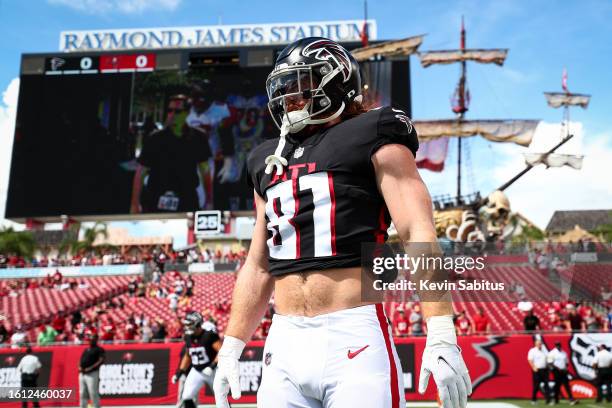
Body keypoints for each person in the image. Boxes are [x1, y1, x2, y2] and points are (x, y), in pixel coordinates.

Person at [212, 37, 471, 408]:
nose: (289, 97)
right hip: (283, 342)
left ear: (336, 83)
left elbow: (417, 232)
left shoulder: (375, 131)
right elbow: (258, 262)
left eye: (300, 84)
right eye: (284, 87)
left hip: (353, 336)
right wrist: (232, 345)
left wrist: (441, 331)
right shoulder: (267, 159)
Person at [131, 95, 211, 213]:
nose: (172, 114)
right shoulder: (154, 139)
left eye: (177, 111)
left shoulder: (198, 138)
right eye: (169, 110)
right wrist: (134, 203)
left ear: (187, 113)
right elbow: (141, 172)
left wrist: (209, 201)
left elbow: (205, 171)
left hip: (187, 198)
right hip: (156, 198)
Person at [174, 312, 221, 408]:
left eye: (189, 324)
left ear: (197, 324)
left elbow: (222, 352)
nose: (187, 326)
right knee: (186, 396)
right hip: (196, 371)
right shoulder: (188, 337)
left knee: (221, 398)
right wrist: (180, 372)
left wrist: (212, 366)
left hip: (213, 371)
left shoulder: (209, 335)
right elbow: (188, 355)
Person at [79, 335, 105, 408]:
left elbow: (101, 360)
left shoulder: (99, 349)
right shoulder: (86, 349)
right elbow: (80, 360)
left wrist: (90, 368)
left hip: (92, 373)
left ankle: (96, 406)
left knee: (93, 392)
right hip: (82, 373)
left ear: (96, 340)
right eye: (89, 339)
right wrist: (79, 367)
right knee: (82, 393)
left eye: (92, 339)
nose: (90, 341)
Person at [528, 339, 551, 405]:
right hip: (537, 370)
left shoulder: (544, 350)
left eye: (540, 344)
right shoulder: (532, 351)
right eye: (538, 344)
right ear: (535, 344)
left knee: (546, 385)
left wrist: (548, 366)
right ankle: (533, 399)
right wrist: (533, 367)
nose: (540, 345)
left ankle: (548, 400)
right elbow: (530, 360)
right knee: (536, 385)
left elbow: (548, 358)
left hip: (545, 369)